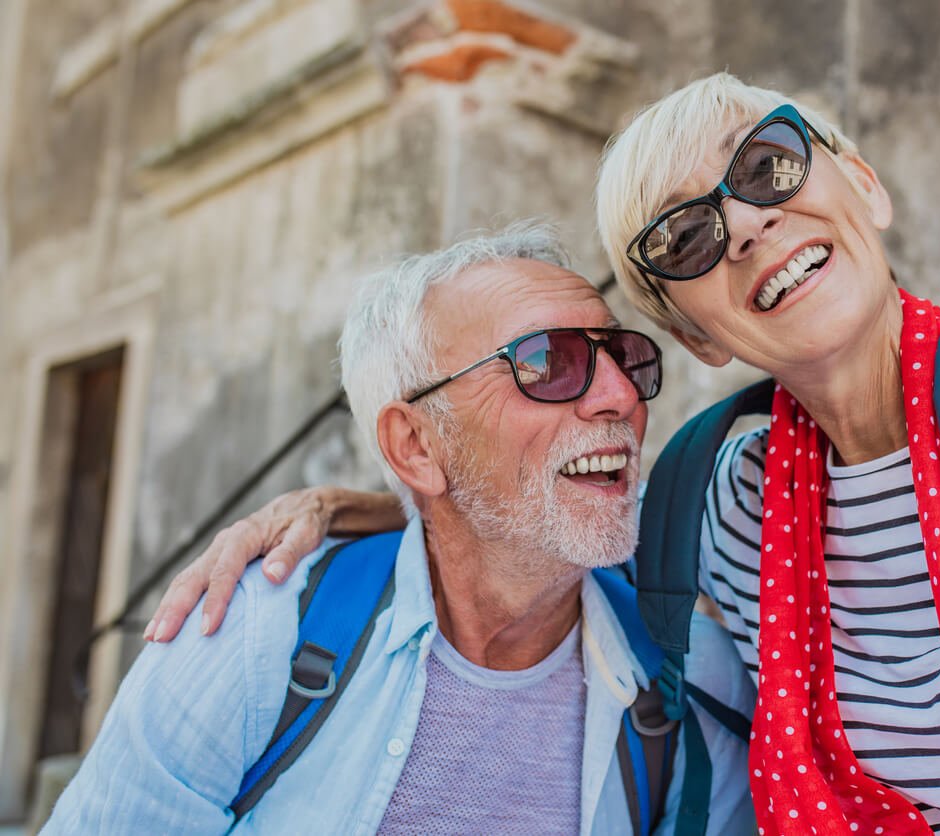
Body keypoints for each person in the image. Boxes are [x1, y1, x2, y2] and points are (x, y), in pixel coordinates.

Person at [148, 74, 940, 834]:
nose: (748, 224)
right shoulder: (727, 505)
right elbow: (538, 526)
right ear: (695, 330)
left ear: (858, 181)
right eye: (685, 237)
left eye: (768, 166)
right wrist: (377, 504)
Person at [44, 225, 756, 834]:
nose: (621, 396)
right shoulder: (252, 636)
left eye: (624, 358)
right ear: (417, 446)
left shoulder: (692, 677)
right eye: (547, 362)